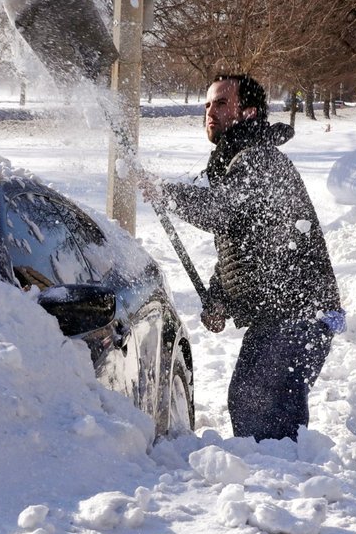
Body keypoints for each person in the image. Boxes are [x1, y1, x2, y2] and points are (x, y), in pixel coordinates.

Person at [137, 74, 345, 442]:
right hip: (284, 315)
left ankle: (285, 483)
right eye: (206, 104)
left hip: (299, 314)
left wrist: (164, 191)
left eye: (220, 103)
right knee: (251, 404)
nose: (209, 112)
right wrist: (218, 298)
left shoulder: (259, 160)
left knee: (260, 409)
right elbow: (241, 248)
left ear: (248, 112)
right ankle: (284, 478)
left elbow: (221, 210)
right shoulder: (240, 161)